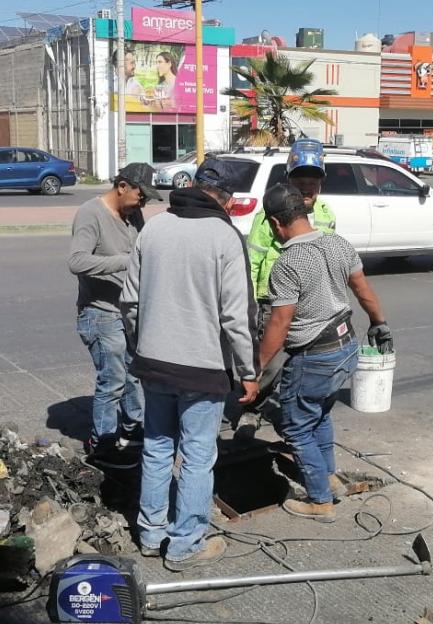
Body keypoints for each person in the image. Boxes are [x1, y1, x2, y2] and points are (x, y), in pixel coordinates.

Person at [120, 157, 260, 571]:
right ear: (226, 198)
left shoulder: (155, 228)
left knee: (158, 448)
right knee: (198, 456)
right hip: (204, 369)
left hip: (154, 364)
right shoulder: (225, 237)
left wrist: (142, 344)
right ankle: (185, 543)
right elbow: (237, 316)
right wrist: (248, 372)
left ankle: (150, 533)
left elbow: (129, 302)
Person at [256, 183, 392, 523]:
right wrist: (380, 323)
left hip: (314, 357)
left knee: (297, 426)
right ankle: (329, 477)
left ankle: (320, 501)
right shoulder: (337, 243)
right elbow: (363, 289)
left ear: (275, 223)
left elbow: (280, 323)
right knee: (320, 414)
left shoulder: (287, 263)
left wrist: (255, 368)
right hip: (346, 347)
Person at [69, 162, 163, 461]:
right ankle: (103, 443)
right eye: (140, 194)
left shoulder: (133, 213)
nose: (143, 202)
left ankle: (132, 430)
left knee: (135, 374)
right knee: (113, 381)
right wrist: (123, 261)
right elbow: (77, 261)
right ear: (122, 186)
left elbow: (143, 250)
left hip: (129, 310)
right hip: (100, 312)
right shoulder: (90, 213)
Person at [245, 139, 337, 409]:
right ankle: (247, 407)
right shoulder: (267, 215)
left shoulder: (325, 213)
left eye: (313, 181)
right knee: (270, 364)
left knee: (303, 366)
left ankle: (291, 418)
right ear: (288, 181)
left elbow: (329, 258)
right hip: (273, 302)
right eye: (300, 180)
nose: (307, 187)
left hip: (310, 306)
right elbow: (252, 261)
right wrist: (249, 305)